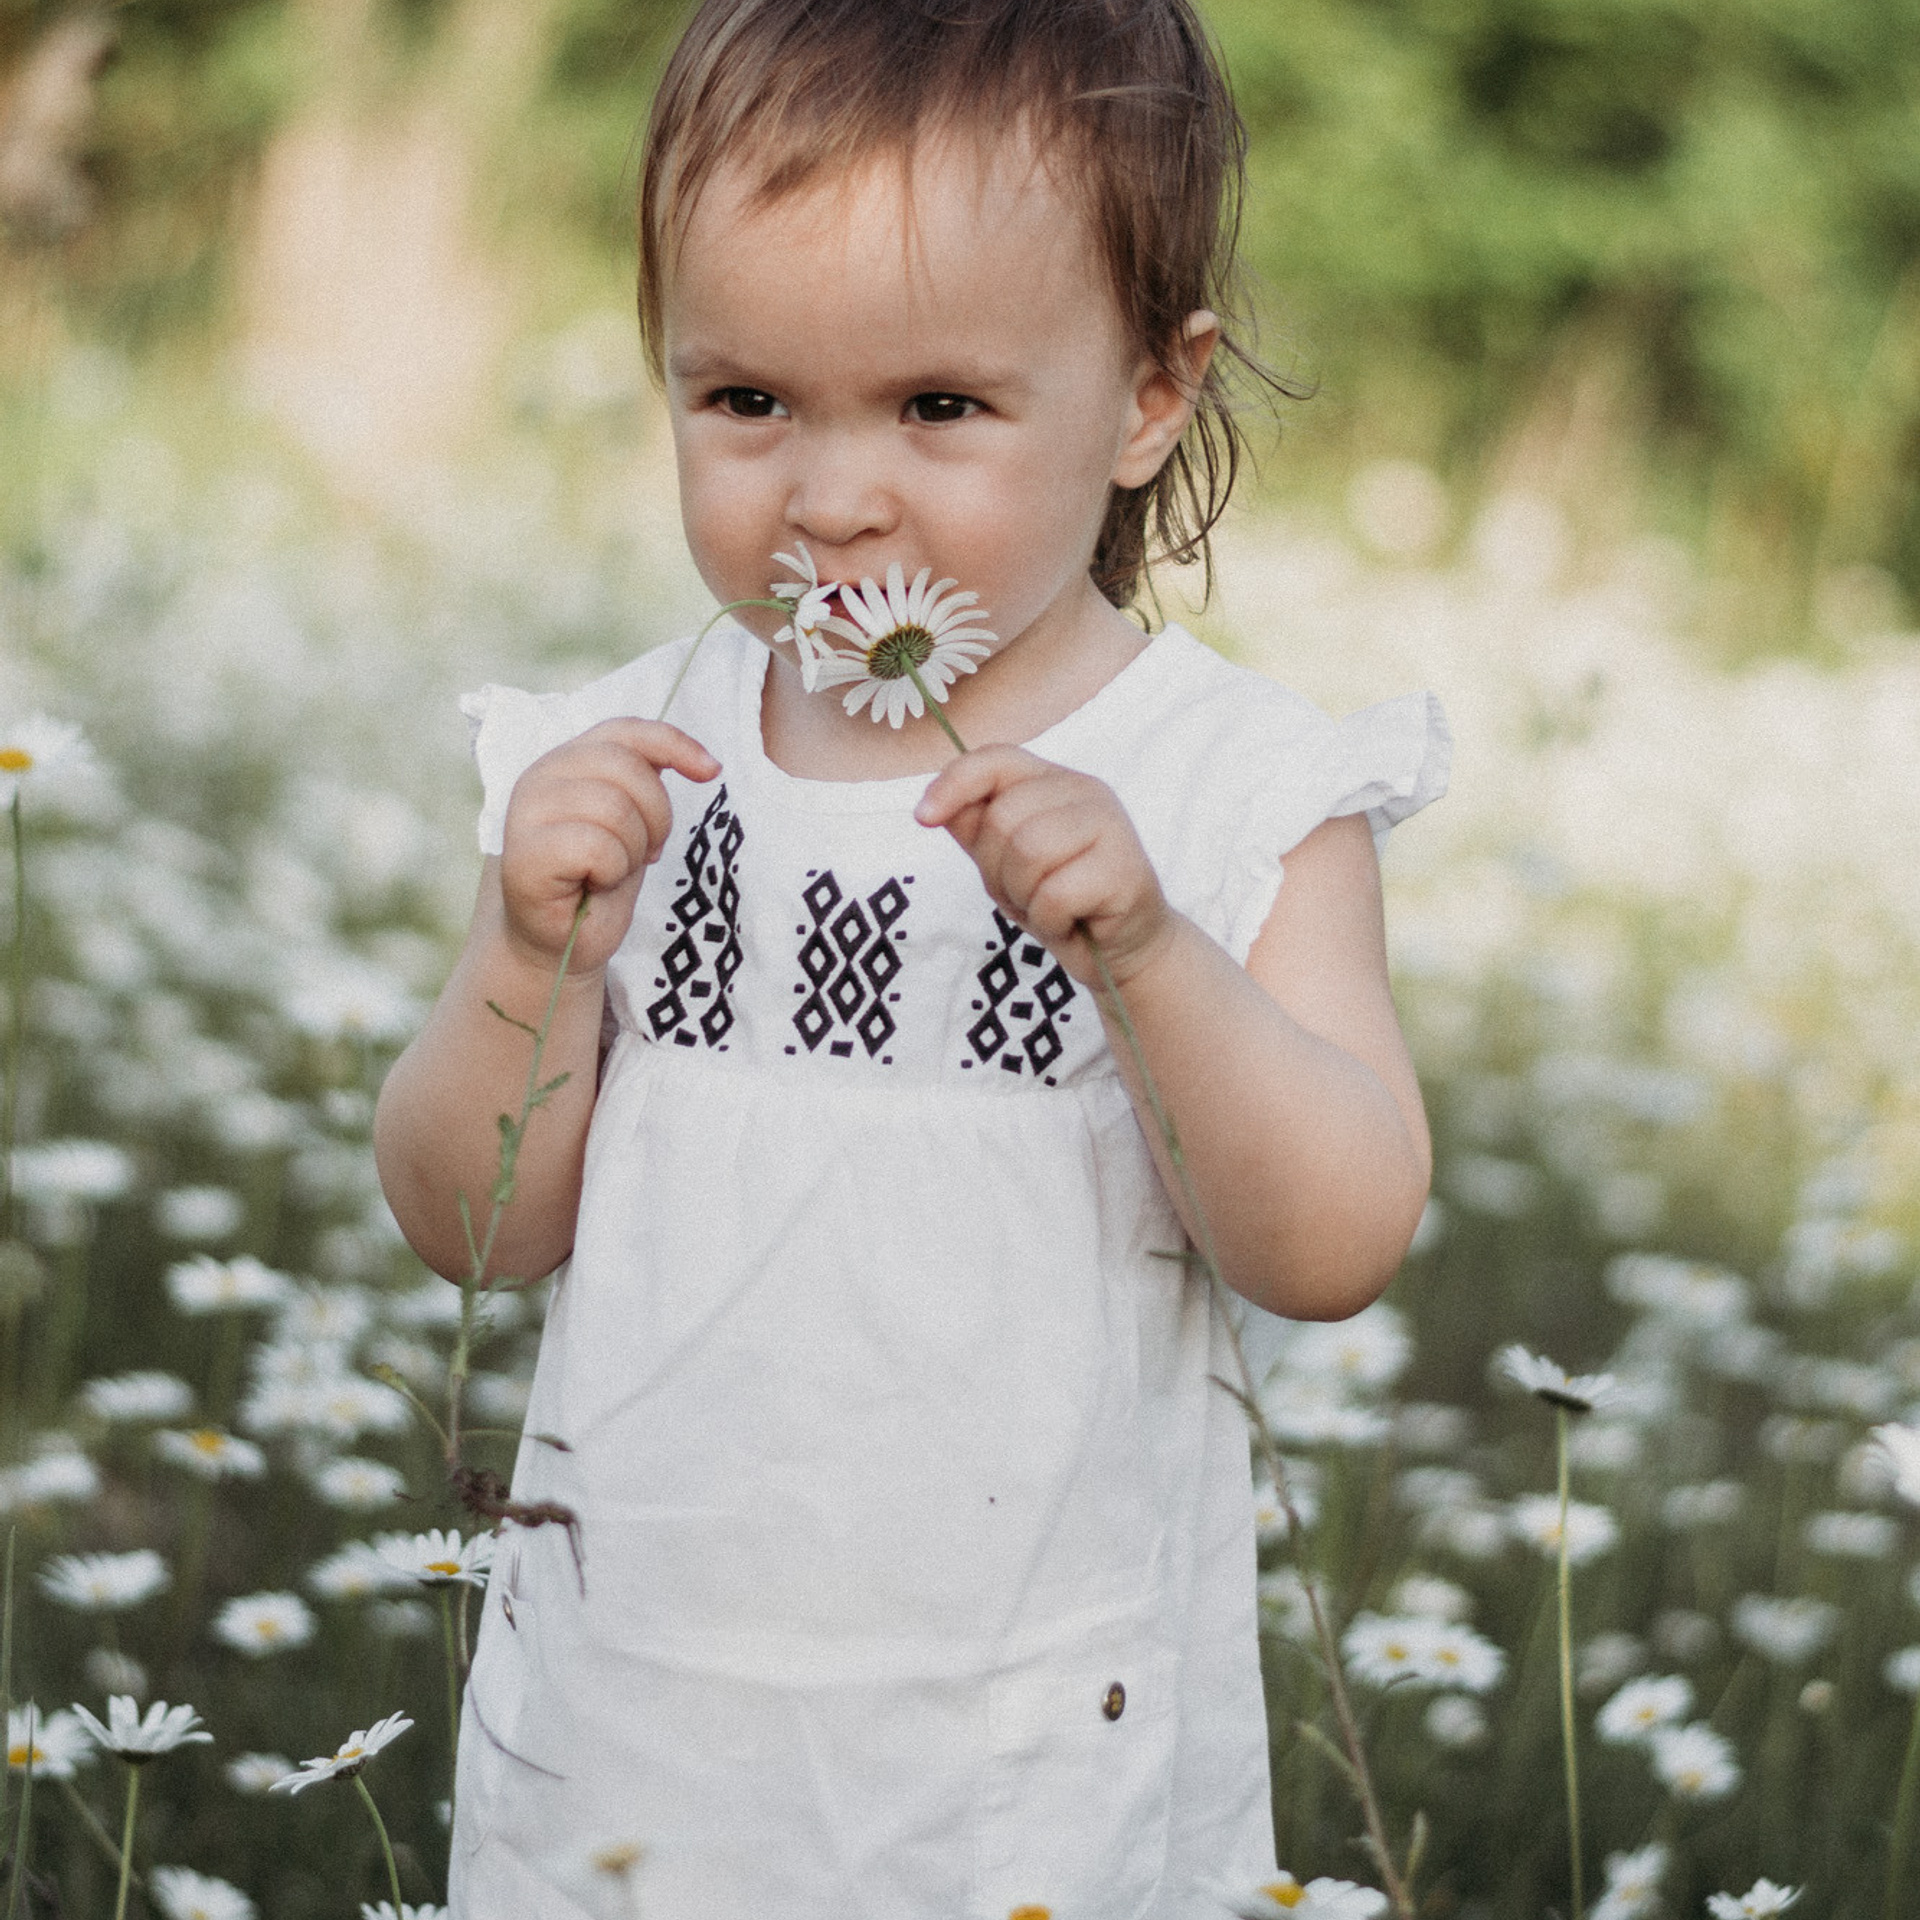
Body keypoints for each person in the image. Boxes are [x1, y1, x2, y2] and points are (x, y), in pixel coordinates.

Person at [373, 0, 1449, 1912]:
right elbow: (476, 1233)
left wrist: (1153, 957)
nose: (835, 494)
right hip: (642, 1703)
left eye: (939, 407)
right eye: (748, 400)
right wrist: (530, 961)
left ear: (1147, 393)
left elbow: (1335, 1240)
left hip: (1021, 1737)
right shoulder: (617, 764)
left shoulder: (1227, 795)